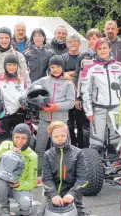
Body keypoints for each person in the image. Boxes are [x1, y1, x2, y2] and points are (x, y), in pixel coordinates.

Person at [36, 121, 91, 216]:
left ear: (68, 135)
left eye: (63, 135)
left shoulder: (78, 153)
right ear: (51, 137)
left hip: (72, 194)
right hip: (53, 194)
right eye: (56, 136)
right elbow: (46, 179)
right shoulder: (47, 155)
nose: (60, 138)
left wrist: (72, 194)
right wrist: (54, 195)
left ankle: (82, 211)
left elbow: (83, 179)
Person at [81, 38, 121, 151]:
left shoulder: (120, 66)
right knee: (96, 143)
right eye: (99, 48)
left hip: (116, 108)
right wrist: (89, 112)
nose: (102, 50)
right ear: (96, 51)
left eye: (105, 48)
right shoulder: (89, 67)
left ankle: (115, 167)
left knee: (116, 143)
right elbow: (86, 92)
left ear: (110, 48)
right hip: (98, 109)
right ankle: (95, 167)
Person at [32, 55, 75, 184]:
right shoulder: (43, 81)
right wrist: (35, 102)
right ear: (49, 67)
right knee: (40, 149)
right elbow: (30, 91)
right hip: (44, 120)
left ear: (62, 67)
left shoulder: (68, 83)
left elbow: (71, 103)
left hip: (60, 122)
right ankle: (39, 175)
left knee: (61, 148)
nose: (55, 69)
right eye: (52, 67)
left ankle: (62, 175)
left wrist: (55, 106)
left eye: (58, 67)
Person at [0, 123, 37, 216]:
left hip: (19, 186)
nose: (19, 141)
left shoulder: (32, 156)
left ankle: (27, 203)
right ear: (13, 137)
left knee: (25, 206)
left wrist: (19, 184)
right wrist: (5, 150)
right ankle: (5, 208)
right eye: (17, 137)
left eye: (24, 138)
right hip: (4, 184)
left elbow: (32, 182)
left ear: (28, 139)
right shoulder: (6, 145)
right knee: (1, 178)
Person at [0, 54, 28, 147]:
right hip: (4, 116)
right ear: (5, 66)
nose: (12, 67)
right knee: (2, 144)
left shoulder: (22, 80)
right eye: (9, 65)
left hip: (19, 115)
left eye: (14, 65)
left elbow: (26, 97)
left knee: (18, 143)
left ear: (17, 66)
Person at [75, 28, 102, 149]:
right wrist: (78, 97)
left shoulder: (105, 54)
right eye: (89, 39)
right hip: (86, 96)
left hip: (102, 97)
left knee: (100, 125)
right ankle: (85, 150)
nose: (92, 41)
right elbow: (78, 77)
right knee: (85, 126)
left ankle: (100, 150)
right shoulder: (83, 56)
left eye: (94, 38)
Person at [61, 34, 83, 148]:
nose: (73, 43)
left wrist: (70, 74)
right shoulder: (63, 58)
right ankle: (71, 145)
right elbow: (60, 74)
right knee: (68, 122)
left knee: (81, 123)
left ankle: (82, 146)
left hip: (81, 96)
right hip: (66, 95)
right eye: (70, 41)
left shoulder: (84, 57)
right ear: (67, 44)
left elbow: (84, 74)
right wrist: (76, 73)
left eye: (75, 41)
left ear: (80, 44)